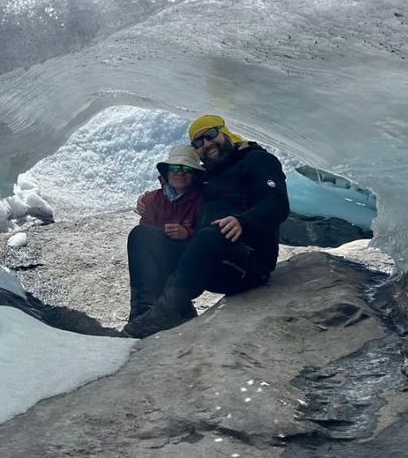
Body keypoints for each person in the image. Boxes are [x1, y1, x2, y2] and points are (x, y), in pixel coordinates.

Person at [123, 114, 290, 338]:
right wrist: (148, 199)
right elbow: (180, 183)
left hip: (249, 264)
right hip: (210, 261)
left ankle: (168, 312)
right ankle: (144, 313)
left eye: (211, 135)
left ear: (225, 132)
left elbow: (277, 203)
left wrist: (244, 221)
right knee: (143, 236)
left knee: (209, 235)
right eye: (198, 143)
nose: (207, 144)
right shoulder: (210, 174)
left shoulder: (258, 160)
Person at [127, 145, 206, 322]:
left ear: (195, 175)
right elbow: (145, 238)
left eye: (187, 169)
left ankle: (145, 313)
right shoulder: (153, 199)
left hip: (189, 261)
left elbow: (209, 234)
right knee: (141, 237)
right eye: (175, 168)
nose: (180, 172)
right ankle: (148, 310)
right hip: (163, 262)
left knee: (141, 237)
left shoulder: (203, 199)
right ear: (167, 172)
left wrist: (188, 234)